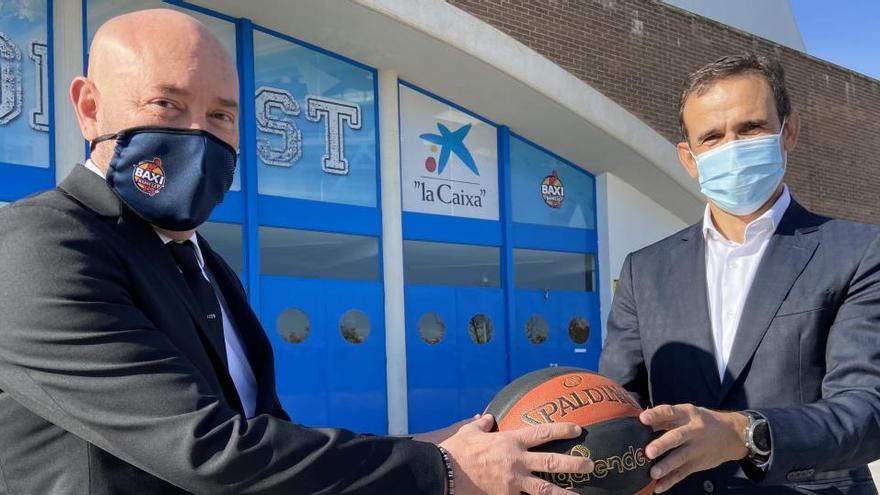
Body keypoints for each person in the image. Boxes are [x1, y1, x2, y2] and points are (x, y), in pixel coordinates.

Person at [0, 9, 593, 494]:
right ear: (88, 108)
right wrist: (444, 471)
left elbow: (267, 436)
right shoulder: (41, 247)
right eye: (168, 105)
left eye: (221, 115)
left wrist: (436, 444)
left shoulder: (207, 266)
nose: (198, 135)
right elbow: (208, 451)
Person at [599, 54, 880, 494]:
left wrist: (741, 434)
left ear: (788, 131)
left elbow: (866, 411)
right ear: (689, 158)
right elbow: (617, 403)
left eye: (750, 128)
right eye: (711, 137)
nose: (731, 147)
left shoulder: (859, 252)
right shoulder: (644, 271)